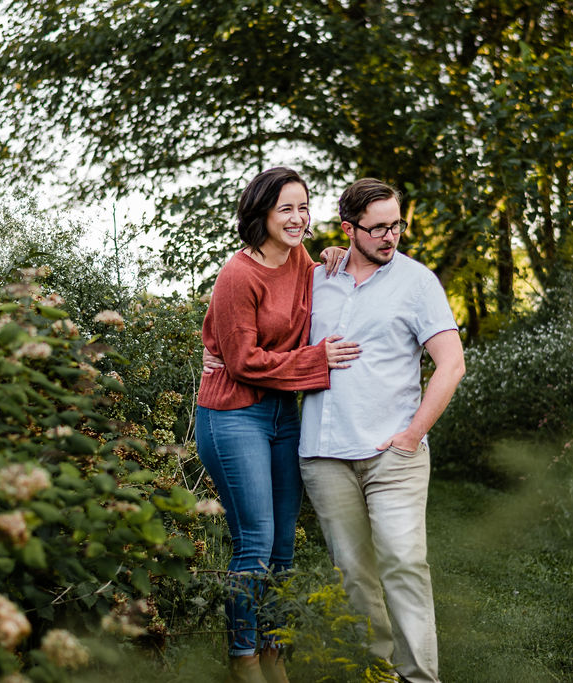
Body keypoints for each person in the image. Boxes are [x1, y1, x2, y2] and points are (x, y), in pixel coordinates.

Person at [208, 178, 465, 682]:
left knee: (403, 565)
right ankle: (366, 672)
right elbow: (251, 340)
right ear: (349, 229)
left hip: (387, 449)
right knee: (345, 572)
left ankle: (418, 678)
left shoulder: (406, 280)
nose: (390, 237)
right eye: (377, 228)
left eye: (397, 225)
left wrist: (412, 436)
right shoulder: (304, 275)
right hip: (312, 447)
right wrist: (228, 353)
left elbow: (451, 365)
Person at [196, 166, 360, 683]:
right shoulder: (237, 275)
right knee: (256, 539)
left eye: (303, 207)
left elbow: (317, 290)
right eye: (285, 208)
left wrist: (335, 257)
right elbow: (241, 362)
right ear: (261, 213)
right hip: (232, 413)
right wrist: (318, 361)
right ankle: (243, 657)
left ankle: (275, 649)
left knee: (284, 543)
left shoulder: (301, 261)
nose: (296, 217)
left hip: (281, 413)